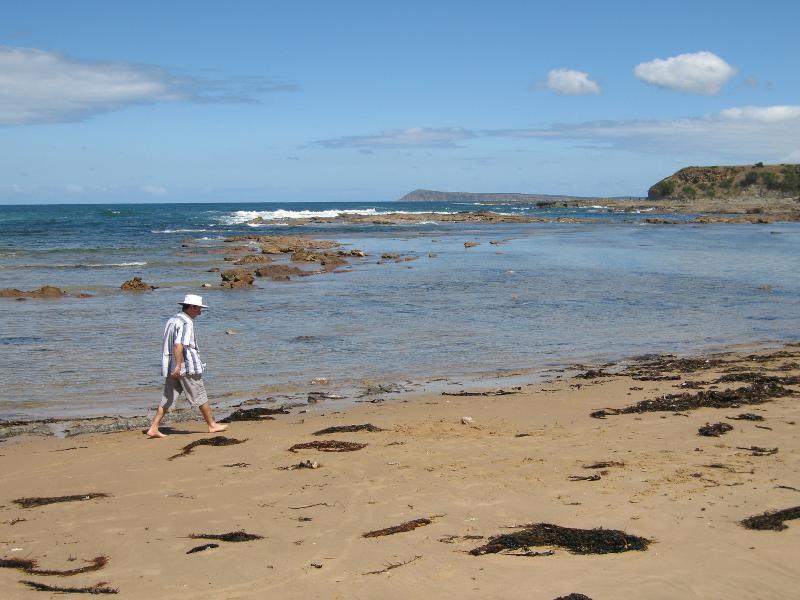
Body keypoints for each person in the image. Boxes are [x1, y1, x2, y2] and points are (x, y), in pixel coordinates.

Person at [147, 294, 228, 438]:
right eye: (199, 308)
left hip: (172, 365)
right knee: (200, 395)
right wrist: (179, 366)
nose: (200, 312)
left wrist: (174, 366)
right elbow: (179, 345)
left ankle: (154, 427)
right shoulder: (186, 322)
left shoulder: (173, 319)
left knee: (168, 397)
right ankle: (212, 425)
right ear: (191, 307)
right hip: (186, 366)